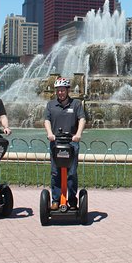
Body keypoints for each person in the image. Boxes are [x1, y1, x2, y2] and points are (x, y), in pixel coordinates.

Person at [44, 77, 86, 210]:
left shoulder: (76, 104)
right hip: (56, 142)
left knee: (72, 172)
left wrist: (78, 134)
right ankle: (56, 199)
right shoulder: (51, 105)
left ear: (68, 90)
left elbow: (82, 119)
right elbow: (47, 120)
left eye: (62, 90)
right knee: (55, 172)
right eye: (58, 90)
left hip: (72, 142)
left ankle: (72, 199)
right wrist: (50, 133)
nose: (60, 93)